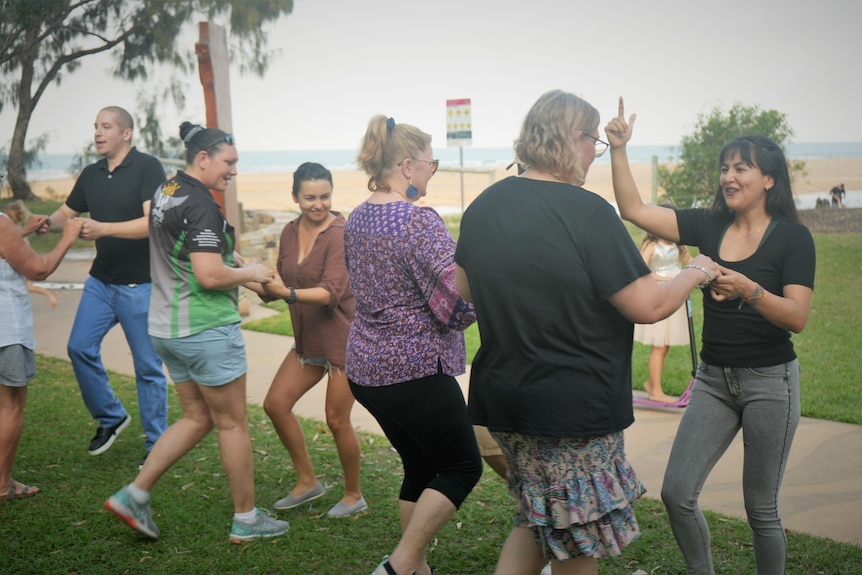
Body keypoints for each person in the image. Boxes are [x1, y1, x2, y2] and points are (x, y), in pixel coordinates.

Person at [454, 89, 720, 575]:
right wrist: (697, 270)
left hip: (507, 400)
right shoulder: (587, 211)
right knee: (577, 534)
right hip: (570, 406)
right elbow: (648, 304)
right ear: (572, 139)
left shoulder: (484, 206)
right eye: (594, 143)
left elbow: (465, 289)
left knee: (539, 519)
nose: (593, 155)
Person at [607, 98, 815, 574]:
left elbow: (797, 317)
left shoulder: (792, 238)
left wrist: (749, 289)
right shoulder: (709, 223)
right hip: (715, 382)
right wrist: (619, 148)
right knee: (677, 493)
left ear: (769, 180)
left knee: (761, 508)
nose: (729, 176)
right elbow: (634, 209)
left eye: (742, 168)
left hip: (771, 383)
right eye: (725, 168)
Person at [104, 122, 289, 543]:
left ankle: (135, 493)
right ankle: (247, 518)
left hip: (167, 330)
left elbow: (188, 250)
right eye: (229, 162)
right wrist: (253, 272)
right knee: (233, 424)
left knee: (197, 417)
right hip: (204, 329)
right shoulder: (203, 204)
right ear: (202, 158)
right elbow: (208, 275)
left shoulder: (166, 192)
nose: (234, 171)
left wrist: (232, 257)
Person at [344, 115, 483, 575]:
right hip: (415, 369)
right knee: (464, 467)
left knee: (420, 468)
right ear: (407, 166)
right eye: (431, 164)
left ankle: (416, 569)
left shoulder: (358, 216)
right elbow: (456, 300)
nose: (431, 172)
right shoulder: (417, 220)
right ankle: (401, 564)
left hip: (366, 369)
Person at [38, 106, 168, 465]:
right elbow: (66, 214)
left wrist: (103, 228)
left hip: (140, 285)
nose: (98, 132)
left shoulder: (147, 167)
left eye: (106, 126)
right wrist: (45, 224)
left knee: (147, 367)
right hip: (100, 281)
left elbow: (151, 223)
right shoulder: (91, 173)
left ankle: (157, 443)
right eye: (95, 126)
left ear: (126, 134)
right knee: (79, 348)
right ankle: (111, 417)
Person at [249, 162, 365, 518]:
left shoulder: (341, 233)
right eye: (310, 197)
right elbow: (280, 287)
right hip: (307, 339)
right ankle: (306, 481)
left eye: (325, 196)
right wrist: (244, 277)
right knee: (275, 404)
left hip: (344, 340)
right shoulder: (288, 231)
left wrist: (286, 292)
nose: (319, 204)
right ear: (295, 197)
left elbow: (331, 292)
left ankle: (353, 494)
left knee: (336, 419)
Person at [1, 206, 83, 500]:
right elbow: (38, 269)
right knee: (11, 405)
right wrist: (68, 238)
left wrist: (20, 233)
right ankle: (2, 484)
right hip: (5, 327)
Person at [632, 223, 693, 403]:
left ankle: (651, 384)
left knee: (665, 345)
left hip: (675, 297)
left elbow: (690, 263)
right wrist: (666, 278)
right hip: (659, 296)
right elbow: (640, 270)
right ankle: (656, 392)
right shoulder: (652, 246)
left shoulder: (679, 246)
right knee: (659, 345)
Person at [4, 201, 59, 308]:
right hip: (24, 260)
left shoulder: (15, 229)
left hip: (23, 261)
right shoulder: (17, 227)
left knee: (29, 286)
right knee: (27, 286)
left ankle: (49, 294)